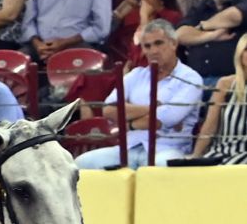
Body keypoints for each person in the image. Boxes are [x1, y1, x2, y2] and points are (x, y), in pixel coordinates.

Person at [75, 19, 203, 167]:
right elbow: (108, 110)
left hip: (167, 148)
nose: (153, 51)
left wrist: (129, 124)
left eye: (158, 43)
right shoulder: (135, 75)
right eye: (147, 46)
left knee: (162, 166)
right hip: (129, 147)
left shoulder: (190, 78)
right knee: (81, 163)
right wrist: (156, 107)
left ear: (173, 43)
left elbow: (167, 118)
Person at [176, 0, 247, 83]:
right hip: (195, 82)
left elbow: (233, 16)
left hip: (232, 83)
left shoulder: (244, 3)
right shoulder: (201, 8)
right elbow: (179, 35)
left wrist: (202, 27)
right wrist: (211, 36)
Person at [109, 0, 182, 69]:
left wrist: (144, 17)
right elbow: (132, 58)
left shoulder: (172, 17)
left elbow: (148, 54)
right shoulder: (143, 17)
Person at [191, 30, 247, 162]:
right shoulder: (225, 84)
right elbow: (209, 126)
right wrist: (195, 157)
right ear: (240, 55)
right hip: (220, 151)